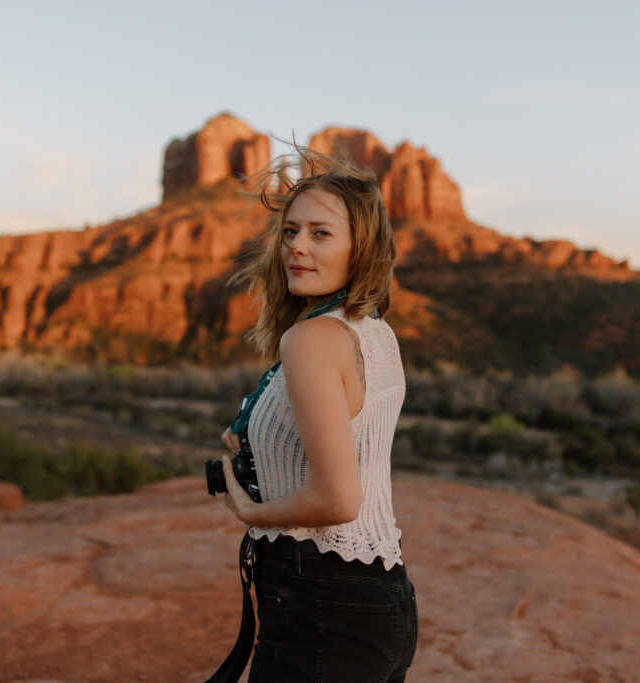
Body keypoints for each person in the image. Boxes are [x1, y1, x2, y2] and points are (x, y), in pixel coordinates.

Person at [212, 148, 417, 682]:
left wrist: (248, 510)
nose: (297, 247)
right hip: (383, 598)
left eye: (321, 234)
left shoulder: (309, 340)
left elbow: (336, 499)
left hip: (319, 602)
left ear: (361, 248)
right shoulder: (374, 333)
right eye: (290, 231)